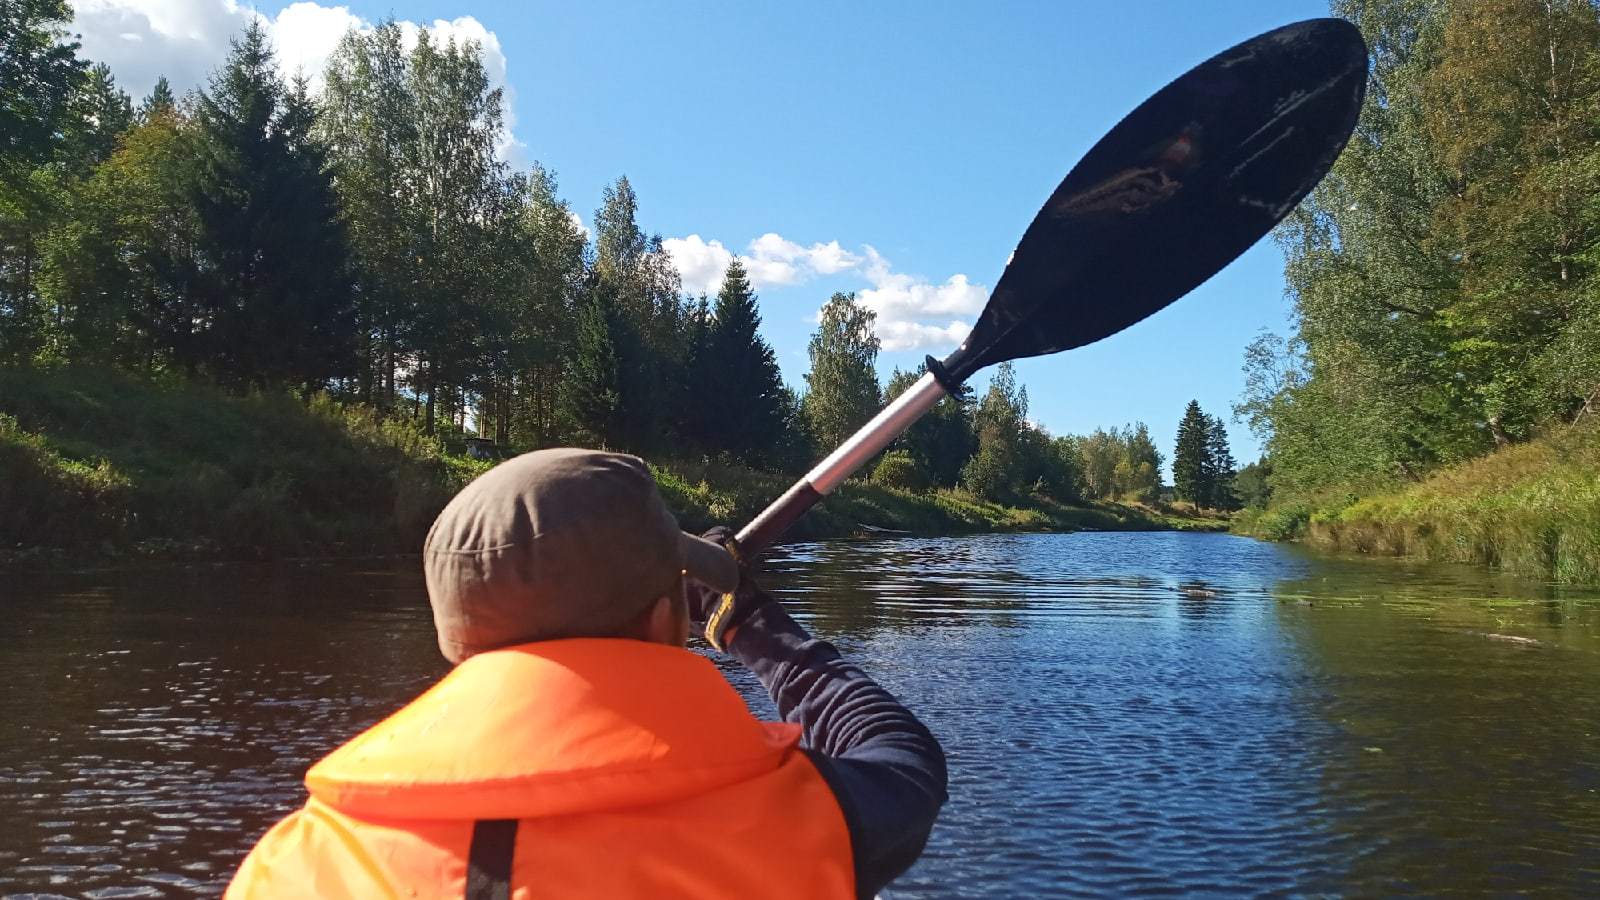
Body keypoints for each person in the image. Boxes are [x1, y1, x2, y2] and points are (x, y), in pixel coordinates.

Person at [227, 448, 947, 899]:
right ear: (666, 620)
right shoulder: (792, 822)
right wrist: (744, 619)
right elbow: (901, 759)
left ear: (457, 637)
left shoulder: (297, 858)